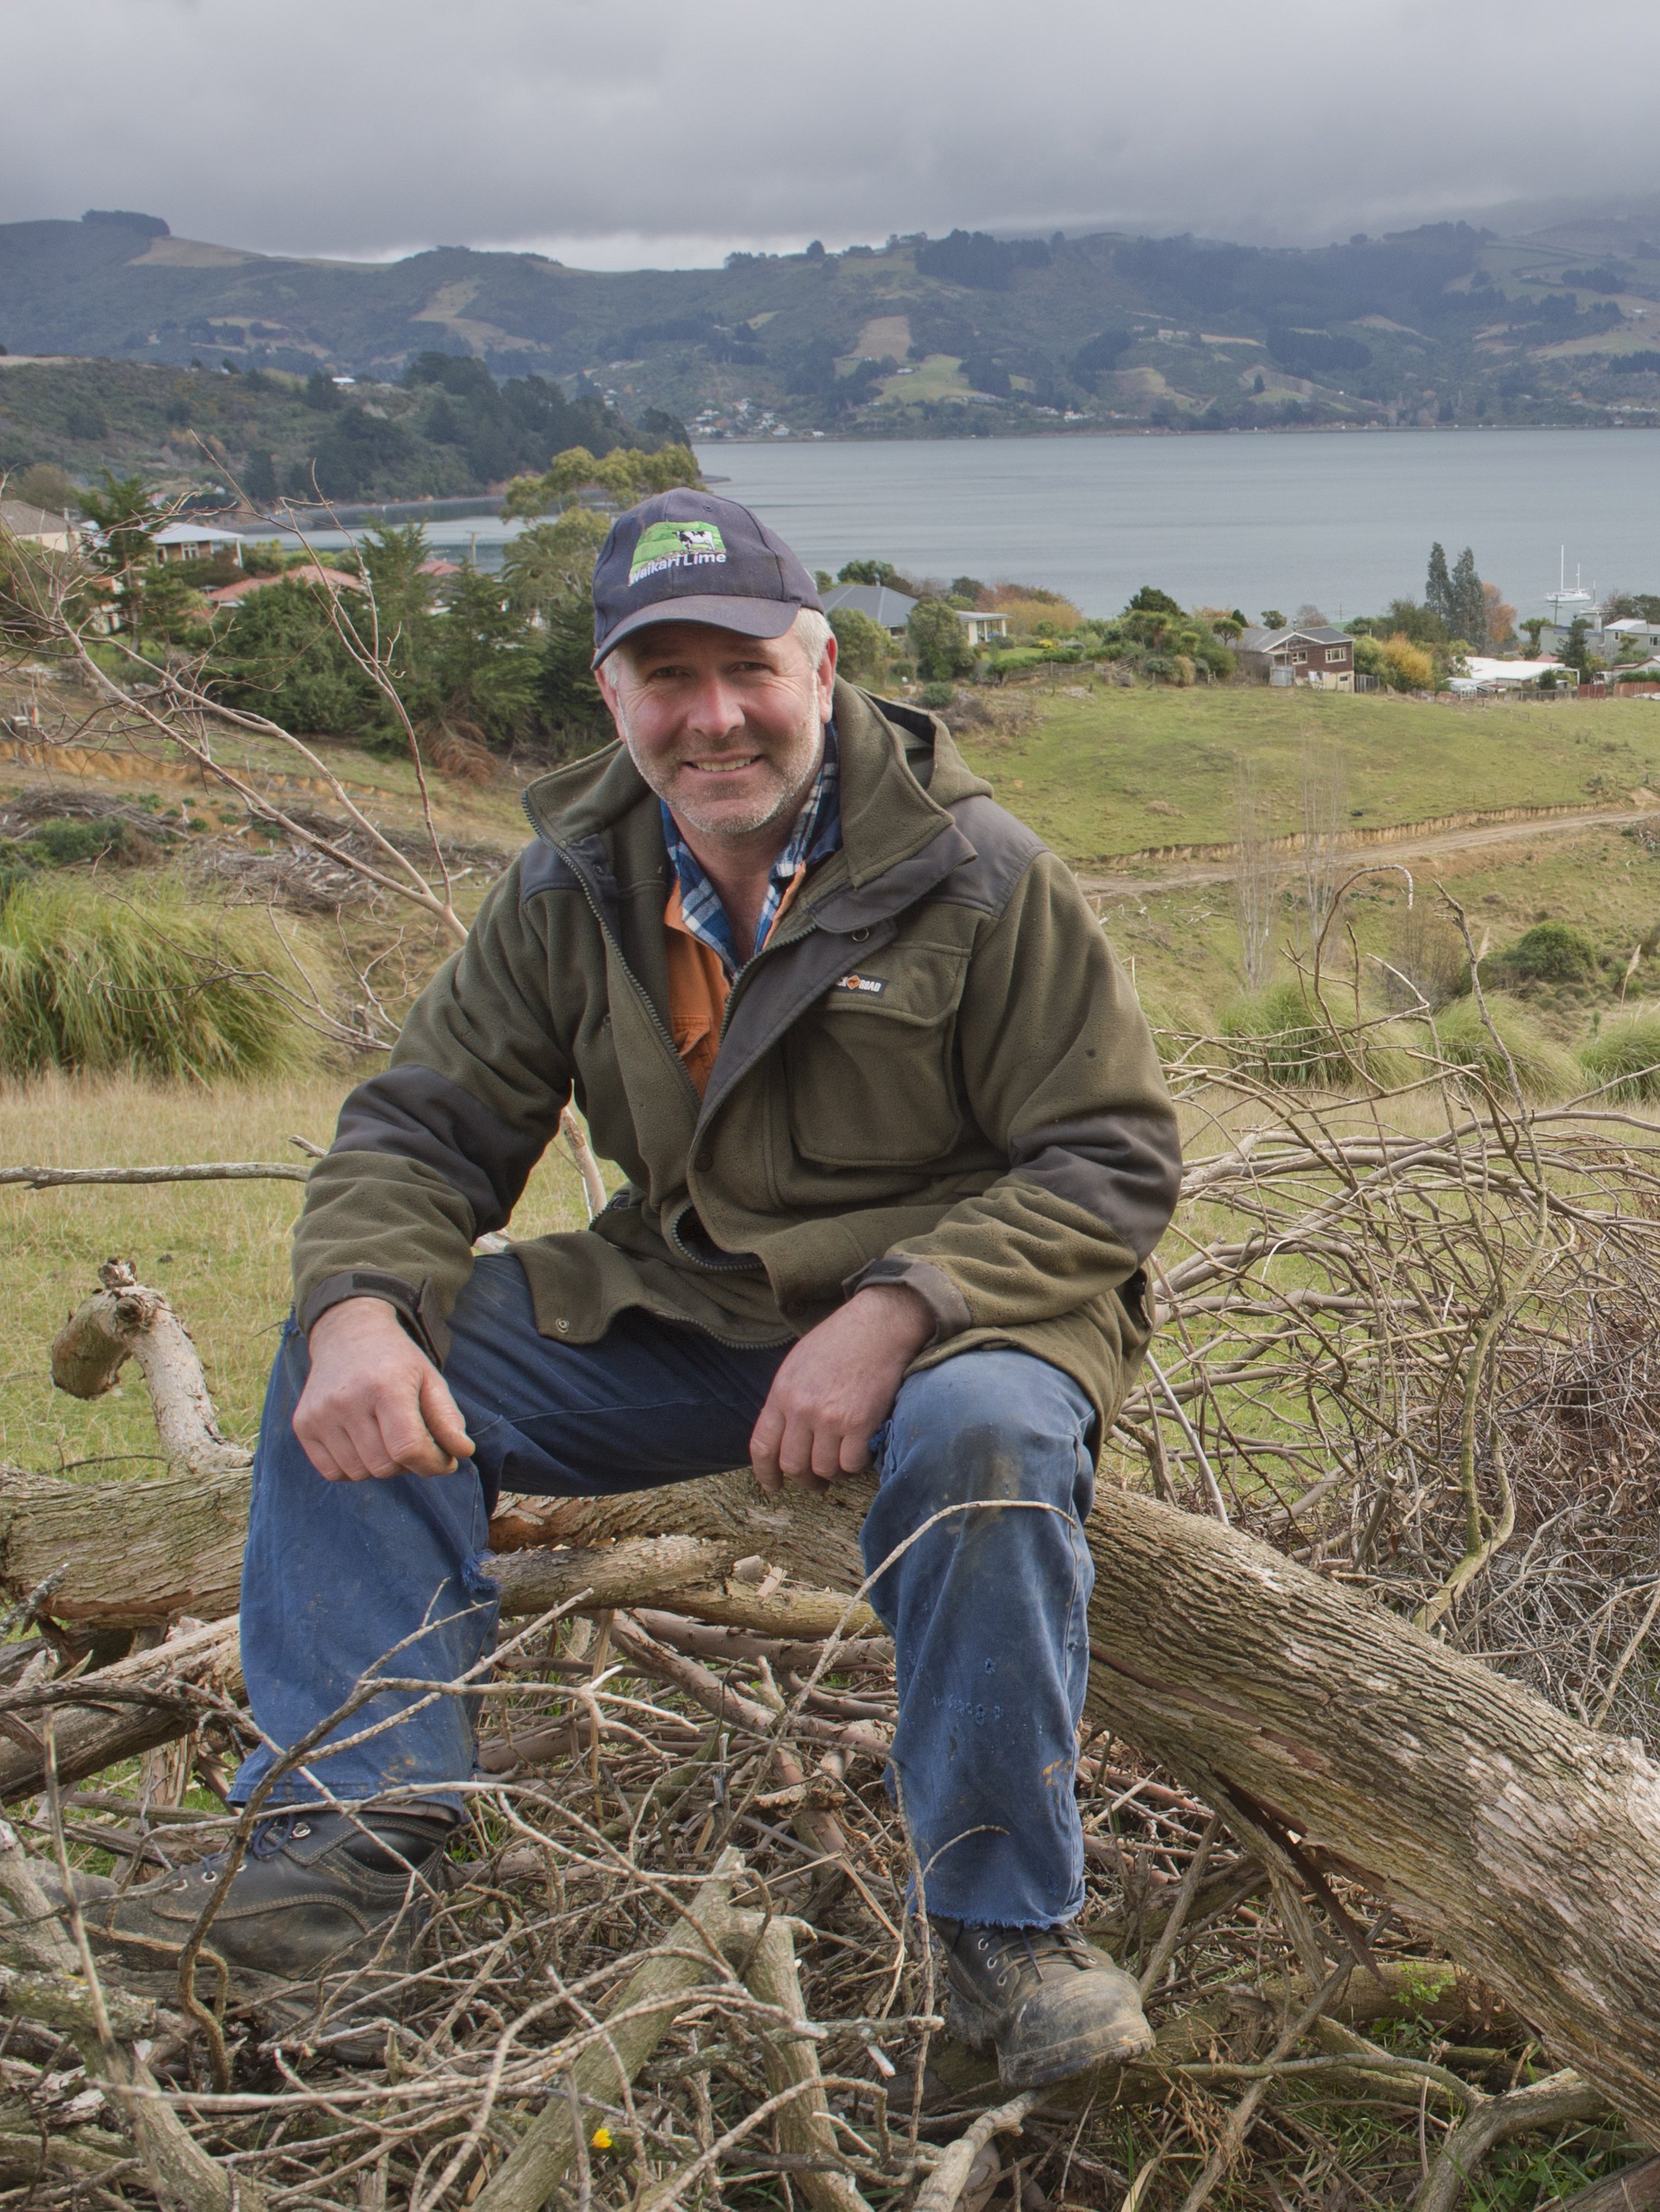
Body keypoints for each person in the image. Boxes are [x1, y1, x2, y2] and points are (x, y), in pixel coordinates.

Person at [104, 490, 1182, 2091]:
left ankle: (1004, 1930)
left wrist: (890, 1315)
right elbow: (425, 1125)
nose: (713, 717)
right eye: (664, 678)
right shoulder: (576, 877)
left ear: (818, 663)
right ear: (615, 698)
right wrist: (352, 1314)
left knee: (981, 1446)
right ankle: (350, 1848)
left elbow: (1108, 1157)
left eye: (744, 667)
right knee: (368, 1352)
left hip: (975, 1314)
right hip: (689, 1305)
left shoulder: (978, 873)